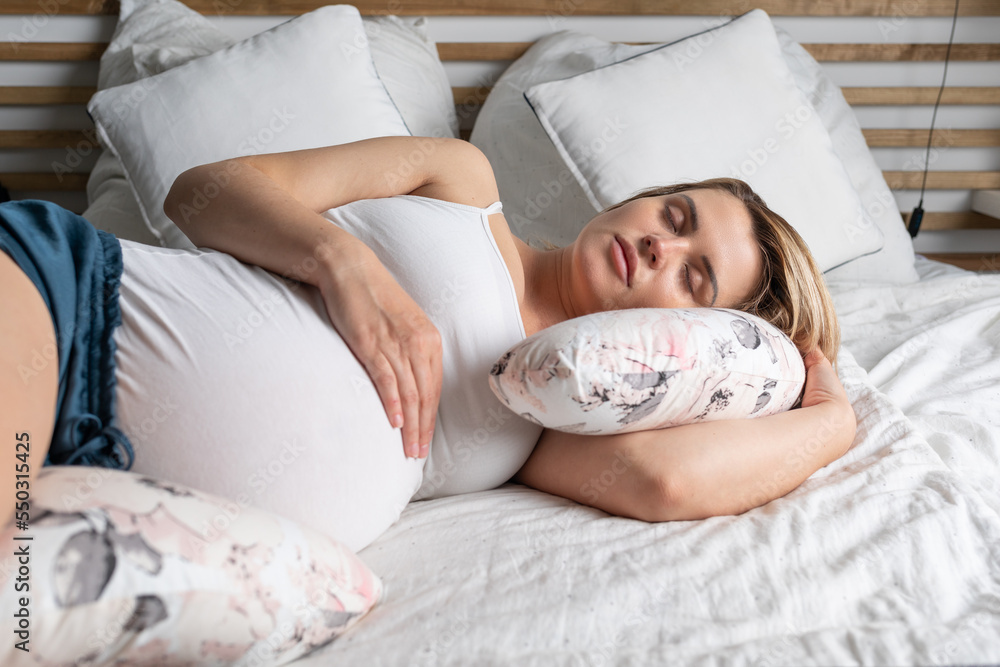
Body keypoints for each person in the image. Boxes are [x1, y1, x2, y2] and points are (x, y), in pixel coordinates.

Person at [0, 136, 855, 550]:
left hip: (108, 498)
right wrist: (344, 264)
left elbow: (669, 483)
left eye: (696, 278)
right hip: (75, 310)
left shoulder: (557, 417)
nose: (662, 247)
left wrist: (835, 419)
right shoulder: (462, 180)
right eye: (675, 215)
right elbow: (202, 190)